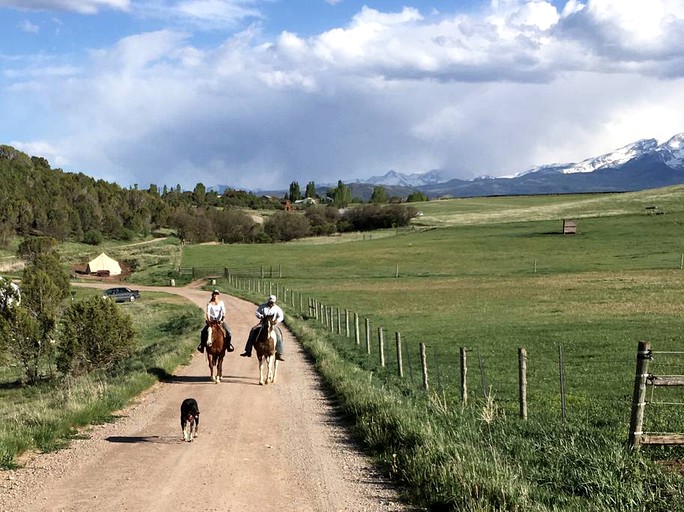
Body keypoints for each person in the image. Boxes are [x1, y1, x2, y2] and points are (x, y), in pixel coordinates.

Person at [240, 294, 285, 361]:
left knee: (278, 334)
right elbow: (257, 312)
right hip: (262, 323)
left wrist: (276, 321)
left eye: (272, 302)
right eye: (270, 302)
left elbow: (281, 316)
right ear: (268, 301)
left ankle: (279, 353)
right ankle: (248, 350)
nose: (271, 303)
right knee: (253, 330)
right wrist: (261, 316)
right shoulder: (263, 306)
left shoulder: (277, 308)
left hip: (272, 324)